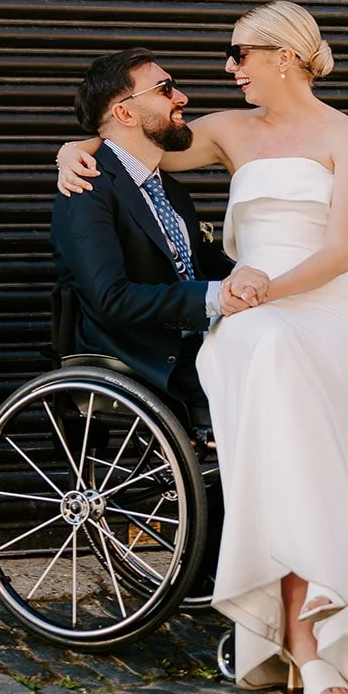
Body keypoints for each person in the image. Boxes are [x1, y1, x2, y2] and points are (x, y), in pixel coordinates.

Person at [56, 1, 348, 694]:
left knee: (284, 367)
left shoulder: (347, 136)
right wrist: (70, 153)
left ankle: (309, 629)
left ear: (282, 55)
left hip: (317, 302)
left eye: (238, 54)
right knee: (265, 349)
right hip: (246, 311)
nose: (226, 69)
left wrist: (267, 287)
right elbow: (128, 150)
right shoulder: (224, 131)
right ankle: (305, 635)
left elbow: (340, 250)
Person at [50, 47, 250, 425]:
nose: (182, 98)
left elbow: (203, 261)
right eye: (165, 89)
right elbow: (112, 299)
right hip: (142, 356)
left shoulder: (170, 189)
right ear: (125, 112)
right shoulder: (86, 191)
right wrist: (216, 297)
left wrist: (275, 278)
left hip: (201, 341)